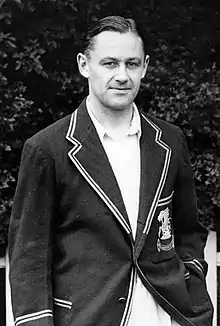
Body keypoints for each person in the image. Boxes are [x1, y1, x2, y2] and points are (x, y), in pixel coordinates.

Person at [8, 16, 213, 326]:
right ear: (84, 65)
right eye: (109, 63)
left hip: (166, 315)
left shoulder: (170, 140)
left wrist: (194, 292)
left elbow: (188, 230)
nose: (122, 75)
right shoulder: (46, 149)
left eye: (131, 64)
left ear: (144, 67)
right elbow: (29, 257)